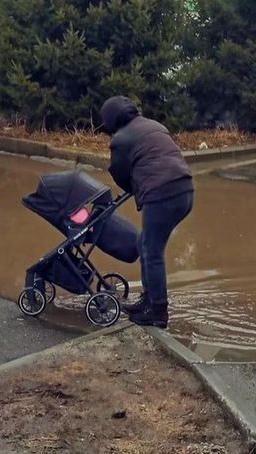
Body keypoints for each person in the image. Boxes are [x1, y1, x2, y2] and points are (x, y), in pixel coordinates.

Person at [101, 96, 194, 329]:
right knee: (145, 243)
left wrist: (135, 187)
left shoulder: (121, 139)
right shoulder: (155, 125)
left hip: (161, 194)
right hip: (185, 190)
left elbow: (119, 172)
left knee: (151, 251)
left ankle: (158, 311)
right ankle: (148, 299)